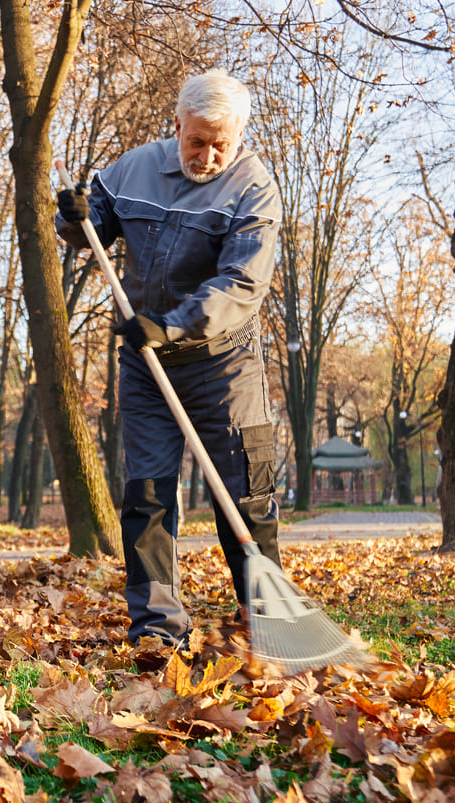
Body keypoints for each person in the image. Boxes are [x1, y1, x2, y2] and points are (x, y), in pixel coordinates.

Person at [55, 68, 282, 649]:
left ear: (239, 138)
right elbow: (92, 229)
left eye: (220, 144)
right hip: (145, 369)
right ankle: (159, 630)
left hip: (222, 366)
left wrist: (173, 326)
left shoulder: (253, 188)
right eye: (196, 140)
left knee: (245, 498)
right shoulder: (131, 169)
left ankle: (270, 624)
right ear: (177, 123)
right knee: (148, 496)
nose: (207, 155)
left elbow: (241, 283)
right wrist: (74, 216)